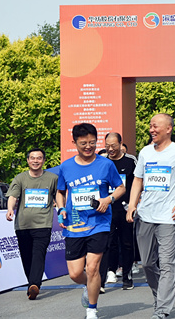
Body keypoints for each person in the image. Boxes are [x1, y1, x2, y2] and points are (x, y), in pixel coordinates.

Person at [127, 113, 175, 319]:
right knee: (147, 263)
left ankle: (162, 310)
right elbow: (138, 180)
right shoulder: (145, 152)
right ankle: (160, 296)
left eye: (155, 126)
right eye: (150, 126)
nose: (152, 130)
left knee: (168, 264)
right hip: (145, 215)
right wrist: (132, 205)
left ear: (168, 128)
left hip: (169, 217)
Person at [55, 123, 125, 319]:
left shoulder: (106, 164)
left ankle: (92, 309)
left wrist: (108, 199)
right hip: (75, 224)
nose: (88, 147)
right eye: (83, 143)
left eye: (92, 143)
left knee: (93, 268)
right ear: (74, 143)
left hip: (99, 223)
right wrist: (61, 208)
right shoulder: (66, 166)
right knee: (75, 273)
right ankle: (89, 285)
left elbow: (120, 188)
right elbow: (60, 192)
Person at [6, 148, 59, 300]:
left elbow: (59, 195)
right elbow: (13, 196)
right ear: (28, 160)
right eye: (33, 158)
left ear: (44, 160)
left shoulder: (52, 178)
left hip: (43, 224)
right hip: (23, 225)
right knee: (26, 256)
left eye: (39, 158)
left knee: (38, 254)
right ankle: (31, 284)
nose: (36, 161)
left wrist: (62, 208)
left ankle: (35, 284)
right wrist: (10, 209)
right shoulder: (20, 178)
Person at [99, 132, 138, 291]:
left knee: (126, 243)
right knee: (107, 243)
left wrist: (134, 204)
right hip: (105, 210)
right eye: (107, 146)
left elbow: (137, 183)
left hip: (125, 209)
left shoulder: (130, 161)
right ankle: (105, 276)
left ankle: (127, 275)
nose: (110, 149)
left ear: (121, 144)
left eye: (113, 146)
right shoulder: (101, 161)